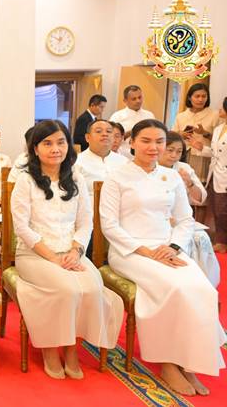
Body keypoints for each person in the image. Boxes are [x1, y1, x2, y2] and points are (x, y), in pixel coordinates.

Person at [100, 119, 225, 396]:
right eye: (146, 140)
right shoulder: (117, 177)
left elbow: (184, 219)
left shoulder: (170, 177)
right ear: (132, 143)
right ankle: (168, 362)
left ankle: (188, 363)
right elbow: (109, 225)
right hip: (130, 251)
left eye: (159, 141)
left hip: (166, 249)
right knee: (174, 288)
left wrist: (174, 247)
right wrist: (144, 251)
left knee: (202, 288)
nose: (153, 147)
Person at [11, 120, 122, 380]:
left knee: (92, 287)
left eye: (60, 142)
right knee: (67, 288)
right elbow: (22, 228)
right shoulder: (25, 180)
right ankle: (50, 349)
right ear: (35, 149)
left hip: (71, 252)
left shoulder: (76, 178)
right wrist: (53, 258)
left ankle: (72, 348)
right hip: (34, 253)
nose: (55, 149)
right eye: (47, 143)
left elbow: (85, 221)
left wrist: (76, 250)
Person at [159, 132, 219, 287]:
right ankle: (176, 281)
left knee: (201, 238)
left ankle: (202, 282)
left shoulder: (184, 168)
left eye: (179, 152)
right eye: (170, 150)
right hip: (155, 220)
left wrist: (190, 183)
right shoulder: (150, 166)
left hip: (181, 219)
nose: (174, 155)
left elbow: (201, 198)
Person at [189, 97, 227, 253]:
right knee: (218, 209)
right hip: (216, 173)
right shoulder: (219, 128)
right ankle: (221, 240)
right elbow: (214, 153)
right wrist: (199, 147)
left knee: (223, 209)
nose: (219, 111)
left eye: (222, 108)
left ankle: (222, 241)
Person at [172, 83, 221, 181]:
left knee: (200, 186)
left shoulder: (214, 115)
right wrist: (180, 135)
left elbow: (221, 141)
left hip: (204, 157)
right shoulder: (181, 116)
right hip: (182, 155)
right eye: (197, 96)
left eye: (204, 96)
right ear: (190, 98)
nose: (201, 99)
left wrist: (205, 133)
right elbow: (172, 137)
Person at [75, 119, 129, 194]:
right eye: (98, 131)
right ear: (87, 137)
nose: (105, 134)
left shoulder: (124, 162)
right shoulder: (76, 162)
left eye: (109, 131)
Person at [109, 85, 154, 156]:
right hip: (123, 155)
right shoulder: (117, 116)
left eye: (140, 97)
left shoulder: (149, 115)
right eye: (134, 99)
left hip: (144, 154)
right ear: (125, 101)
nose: (138, 101)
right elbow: (110, 138)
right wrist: (128, 134)